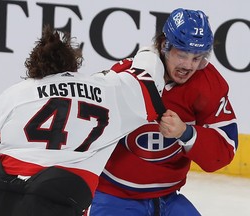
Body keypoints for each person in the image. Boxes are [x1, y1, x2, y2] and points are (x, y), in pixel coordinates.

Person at [0, 26, 166, 216]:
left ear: (34, 68)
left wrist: (12, 188)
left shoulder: (15, 94)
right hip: (57, 204)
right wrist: (152, 50)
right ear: (73, 63)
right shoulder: (108, 90)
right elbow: (149, 79)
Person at [86, 8, 239, 216]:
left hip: (168, 198)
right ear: (164, 46)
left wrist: (186, 133)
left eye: (196, 58)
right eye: (182, 55)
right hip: (113, 195)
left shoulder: (208, 84)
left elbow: (223, 151)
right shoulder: (126, 78)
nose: (188, 66)